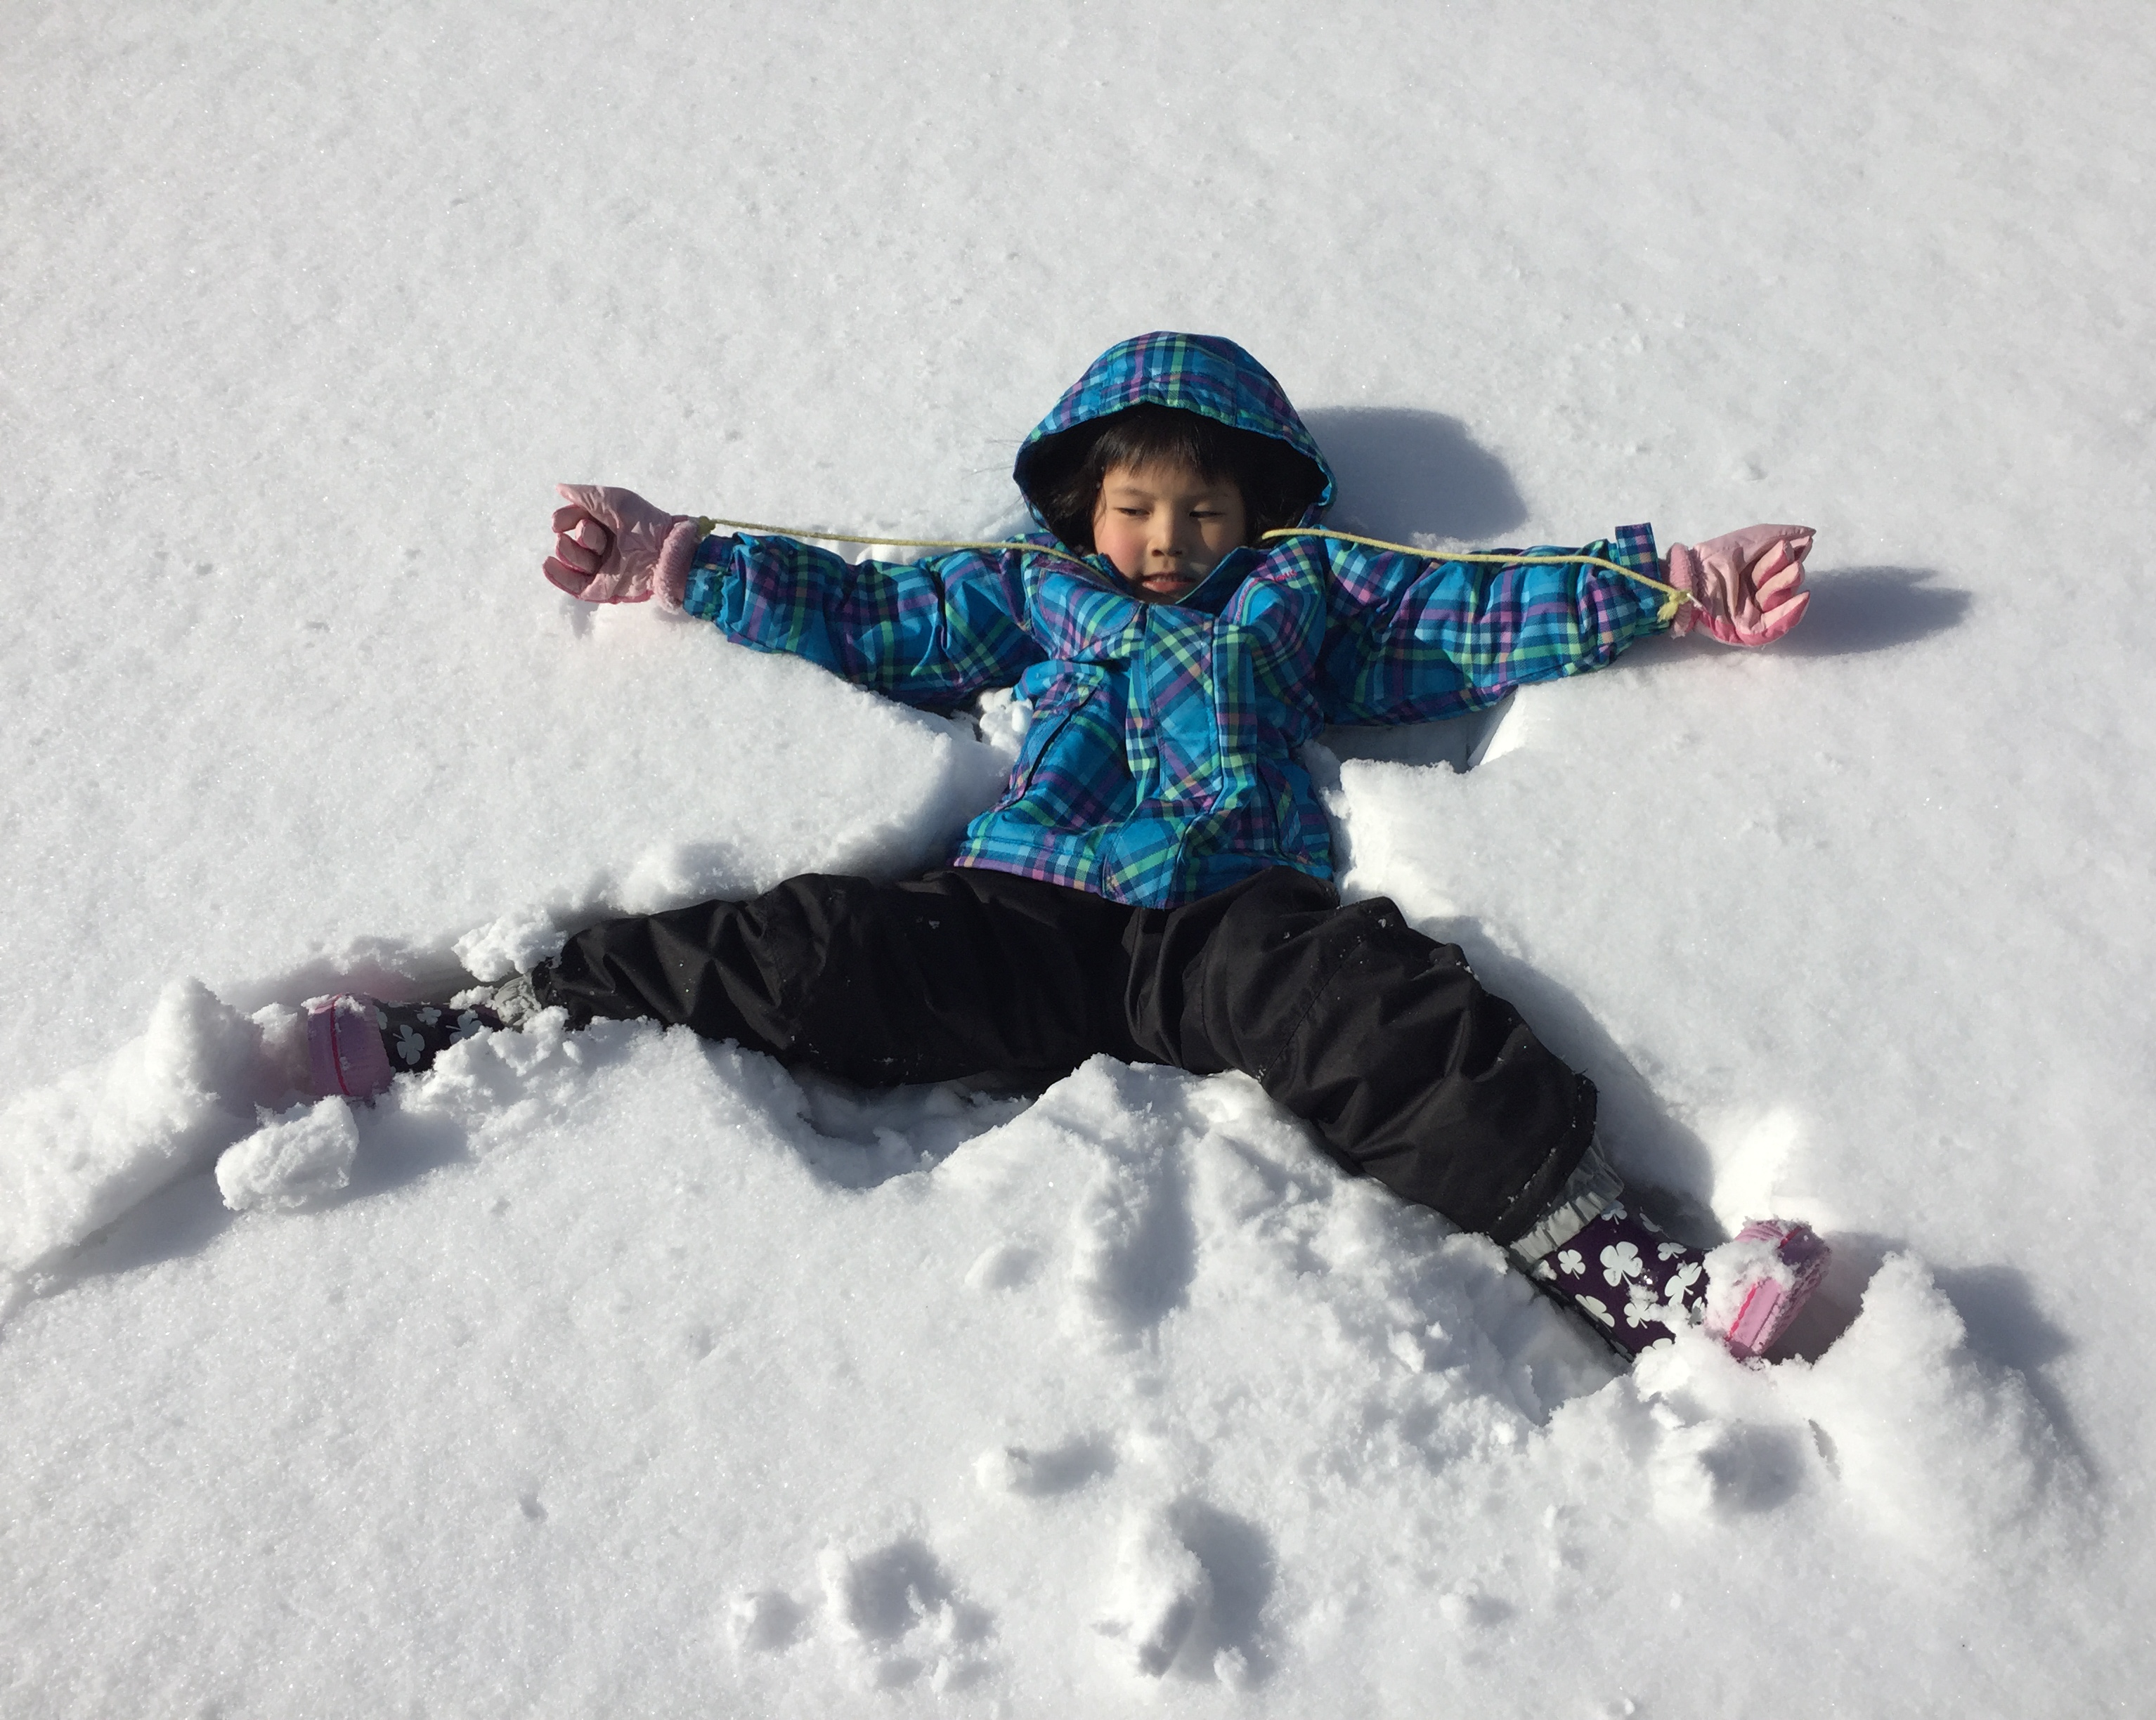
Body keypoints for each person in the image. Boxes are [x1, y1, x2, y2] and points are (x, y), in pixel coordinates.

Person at [271, 332, 1826, 1363]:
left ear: (1257, 509)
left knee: (1385, 1009)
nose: (1168, 537)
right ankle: (491, 1017)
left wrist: (1669, 588)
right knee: (807, 950)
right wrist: (679, 559)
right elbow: (875, 606)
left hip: (1232, 928)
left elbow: (1475, 608)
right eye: (1136, 507)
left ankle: (1629, 1270)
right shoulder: (1031, 593)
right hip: (1024, 911)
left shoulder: (1307, 605)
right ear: (1086, 511)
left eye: (1203, 506)